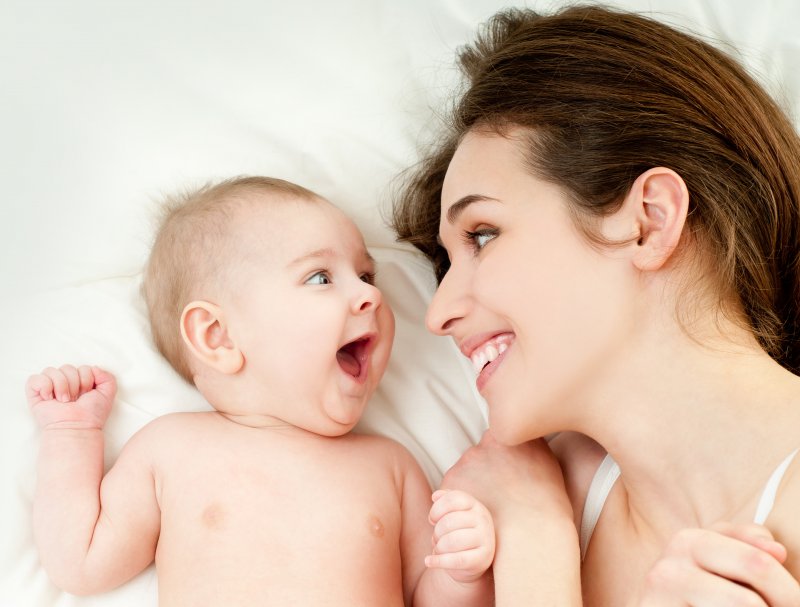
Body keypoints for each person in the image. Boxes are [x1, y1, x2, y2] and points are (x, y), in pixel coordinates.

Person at [392, 5, 800, 605]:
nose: (437, 314)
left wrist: (534, 549)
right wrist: (538, 537)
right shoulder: (515, 506)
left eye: (482, 234)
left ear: (649, 222)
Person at [25, 176, 495, 606]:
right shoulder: (171, 451)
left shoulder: (392, 468)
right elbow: (81, 562)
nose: (371, 295)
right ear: (217, 337)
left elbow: (425, 596)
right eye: (320, 277)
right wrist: (71, 433)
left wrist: (460, 574)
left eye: (367, 276)